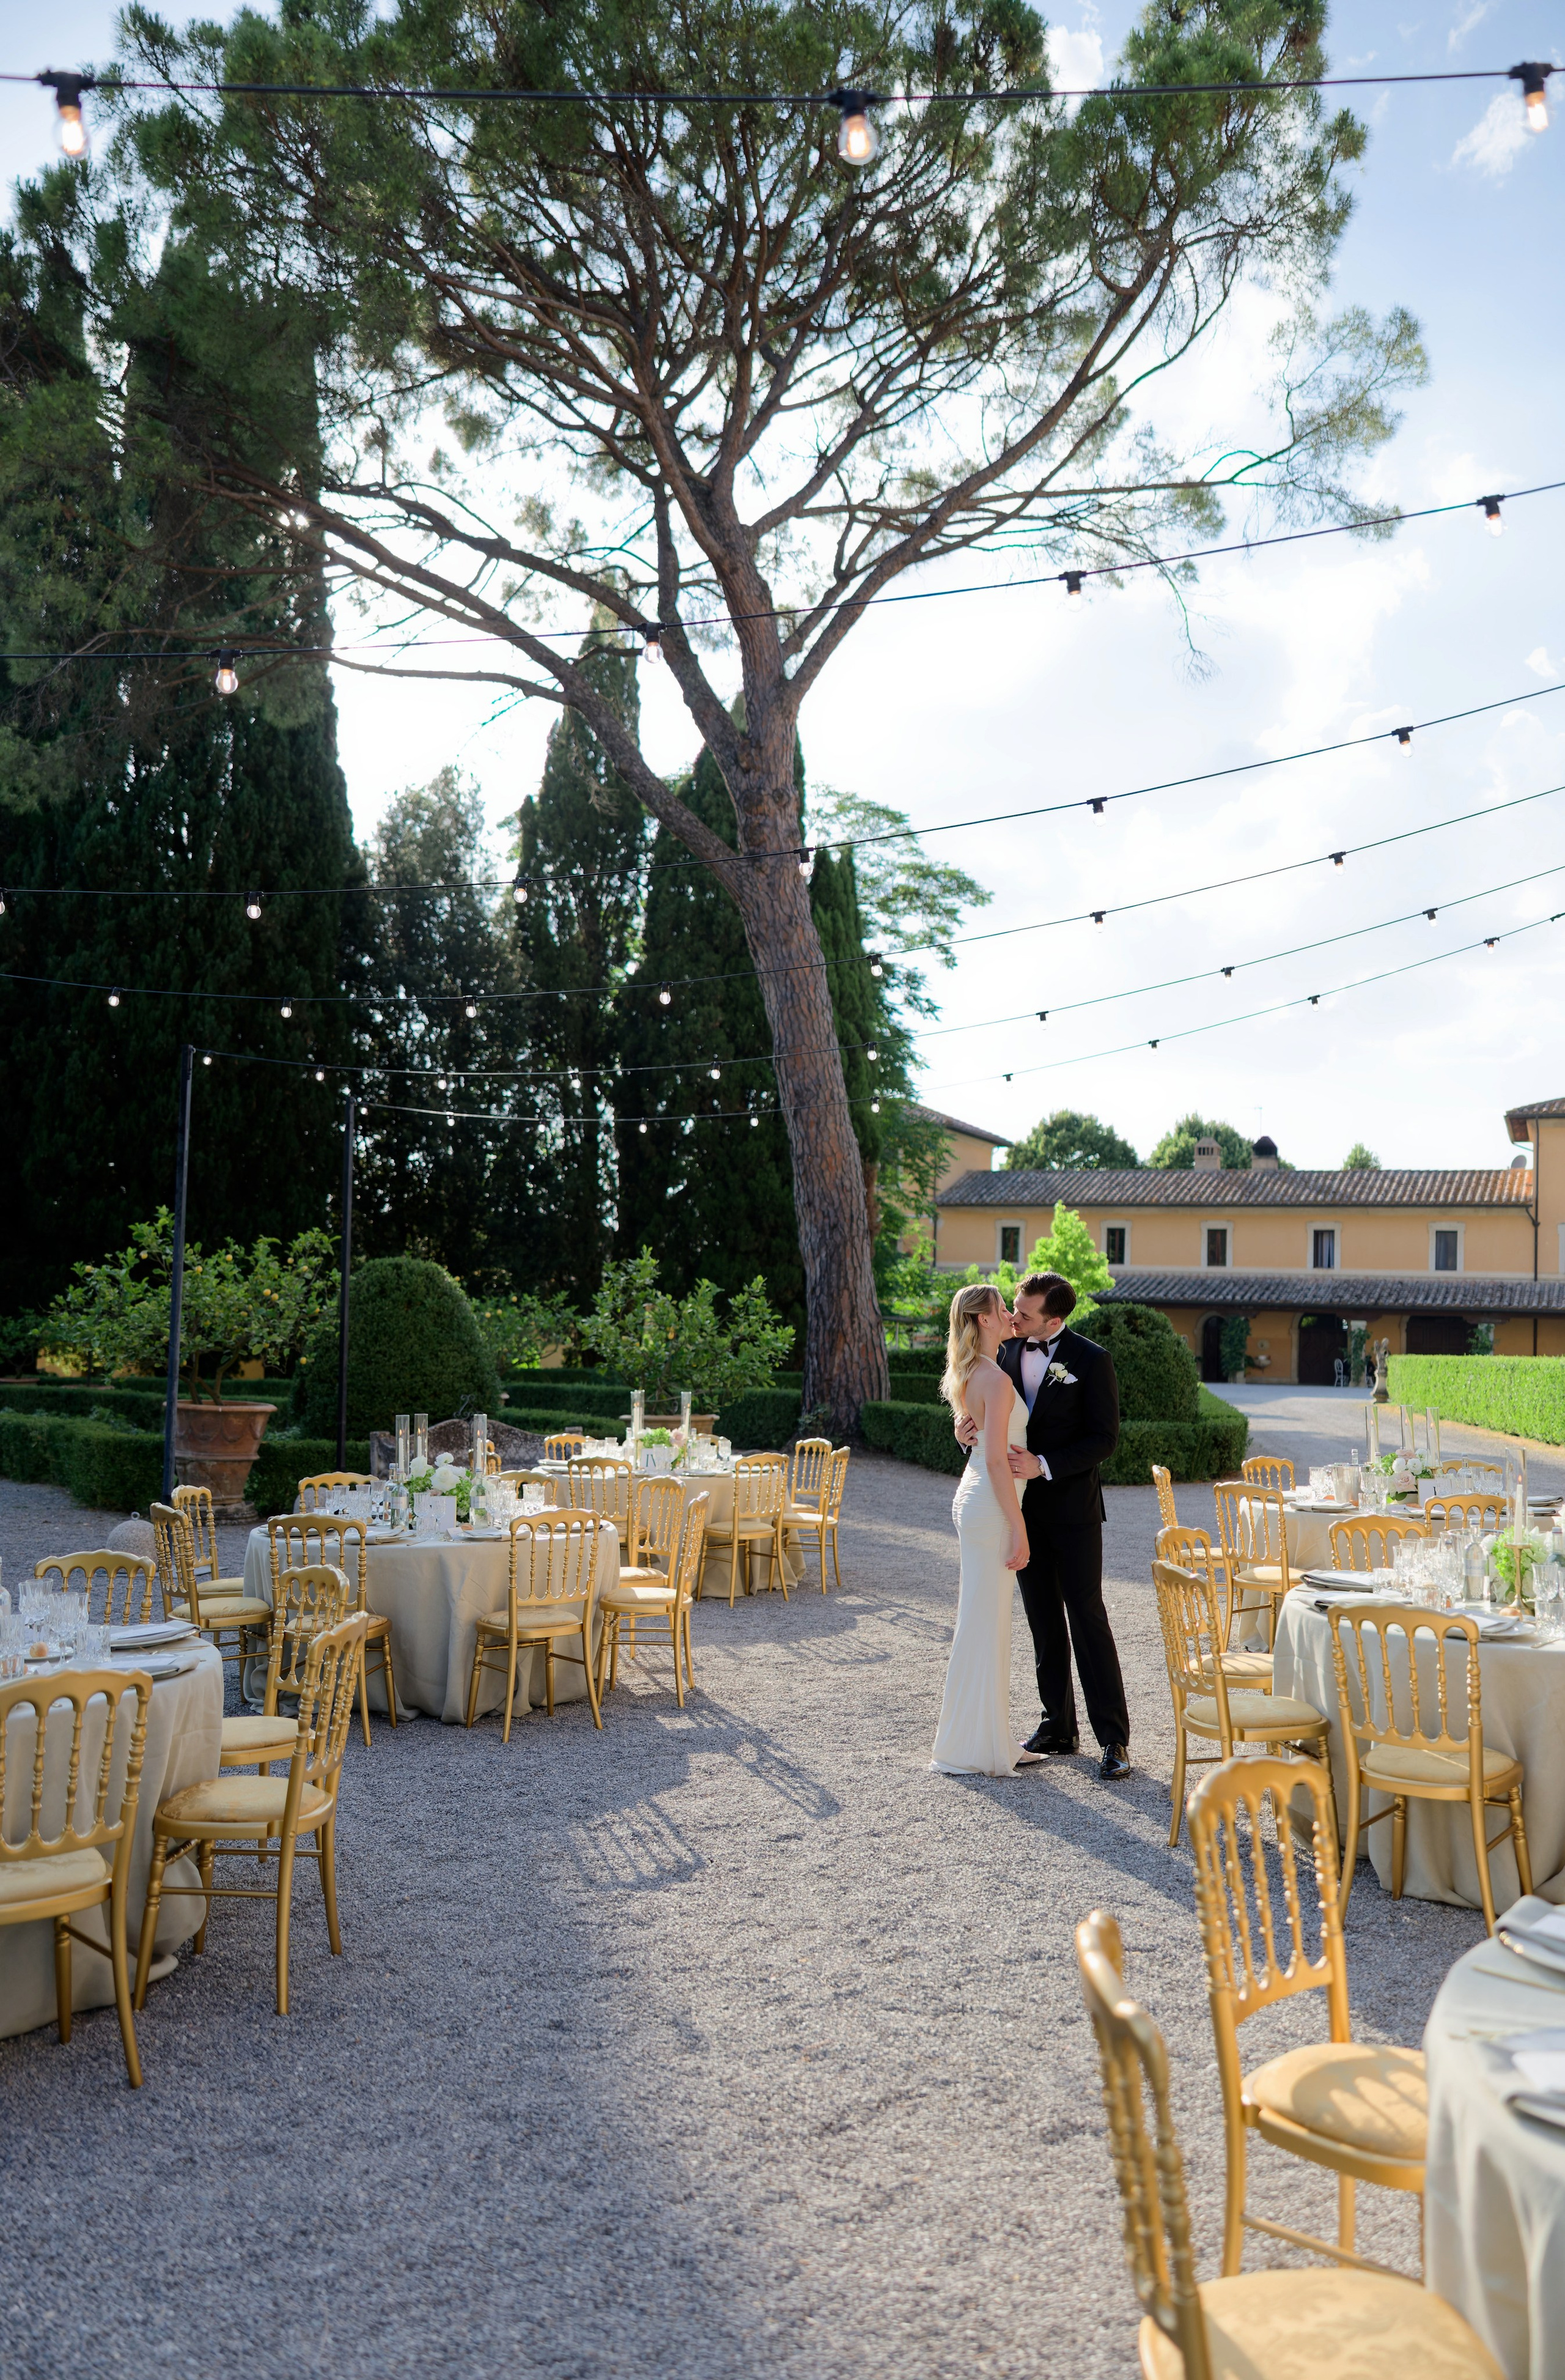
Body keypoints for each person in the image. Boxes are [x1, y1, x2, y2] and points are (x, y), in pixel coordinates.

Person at [955, 1269, 1130, 1782]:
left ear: (1054, 1318)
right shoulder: (1005, 1351)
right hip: (1018, 1512)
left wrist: (1044, 1464)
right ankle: (1058, 1724)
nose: (1014, 1316)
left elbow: (1105, 1439)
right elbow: (985, 1427)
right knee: (1042, 1621)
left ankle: (1114, 1739)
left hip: (1074, 1514)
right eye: (1012, 1307)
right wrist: (964, 1432)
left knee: (1087, 1618)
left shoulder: (1092, 1360)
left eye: (1025, 1312)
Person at [930, 1282, 1037, 1777]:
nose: (1011, 1316)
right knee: (984, 1624)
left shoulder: (971, 1371)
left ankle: (987, 1737)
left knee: (985, 1622)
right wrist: (1019, 1528)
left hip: (973, 1500)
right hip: (992, 1509)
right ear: (984, 1321)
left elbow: (976, 1437)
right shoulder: (994, 1378)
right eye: (1003, 1310)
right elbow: (996, 1458)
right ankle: (973, 1747)